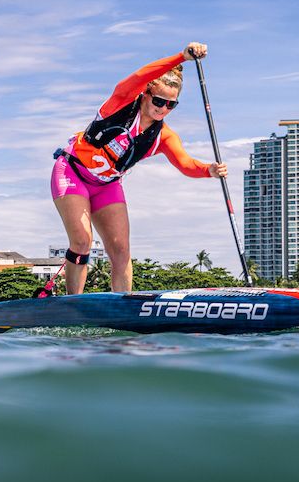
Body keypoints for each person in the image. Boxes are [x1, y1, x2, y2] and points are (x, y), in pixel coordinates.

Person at [51, 42, 226, 294]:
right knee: (82, 241)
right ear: (145, 93)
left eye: (171, 105)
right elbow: (139, 76)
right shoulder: (121, 102)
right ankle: (72, 304)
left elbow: (186, 164)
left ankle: (124, 307)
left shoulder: (163, 136)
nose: (163, 108)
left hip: (107, 186)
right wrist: (181, 57)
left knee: (121, 249)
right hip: (72, 173)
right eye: (158, 100)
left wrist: (208, 169)